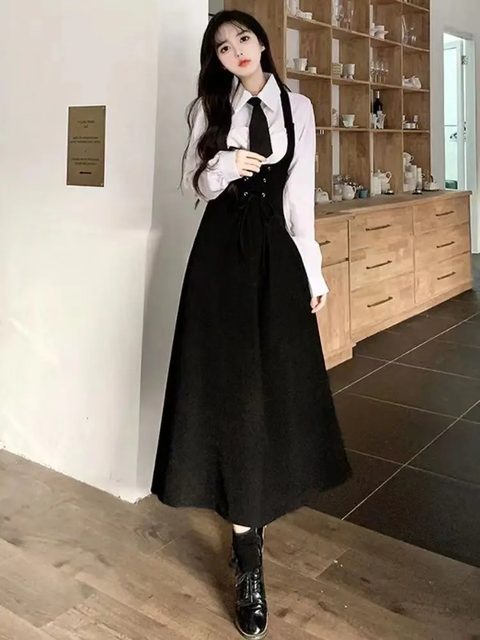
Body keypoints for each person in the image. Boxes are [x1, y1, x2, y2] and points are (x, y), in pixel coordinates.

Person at [150, 9, 352, 639]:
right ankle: (248, 559)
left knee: (272, 390)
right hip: (219, 259)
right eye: (222, 45)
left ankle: (255, 517)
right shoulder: (208, 108)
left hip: (274, 258)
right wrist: (223, 167)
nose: (235, 50)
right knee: (231, 394)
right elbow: (193, 184)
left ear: (262, 43)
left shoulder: (299, 108)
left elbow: (300, 198)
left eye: (242, 38)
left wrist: (313, 274)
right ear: (215, 58)